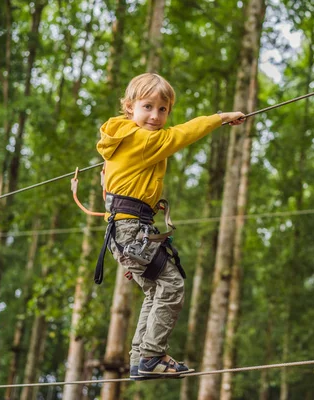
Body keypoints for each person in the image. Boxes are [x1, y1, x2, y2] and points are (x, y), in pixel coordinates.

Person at [95, 73, 245, 379]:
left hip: (128, 230)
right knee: (172, 284)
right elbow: (179, 136)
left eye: (162, 109)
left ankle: (140, 357)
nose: (155, 116)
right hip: (131, 229)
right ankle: (150, 355)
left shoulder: (121, 140)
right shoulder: (139, 139)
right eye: (147, 106)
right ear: (129, 107)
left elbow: (110, 191)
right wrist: (220, 118)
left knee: (156, 288)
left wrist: (125, 253)